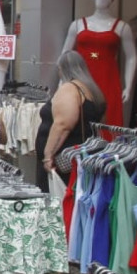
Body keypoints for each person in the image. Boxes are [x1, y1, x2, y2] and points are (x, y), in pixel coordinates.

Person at [36, 50, 106, 192]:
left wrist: (48, 156)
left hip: (64, 160)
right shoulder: (92, 89)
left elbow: (63, 125)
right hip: (79, 156)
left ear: (63, 69)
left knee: (57, 201)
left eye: (59, 70)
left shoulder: (70, 88)